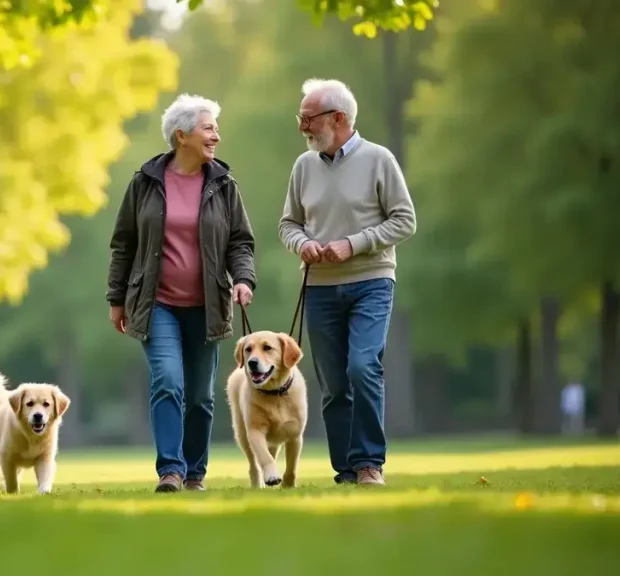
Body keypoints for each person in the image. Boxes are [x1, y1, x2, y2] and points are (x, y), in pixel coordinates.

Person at [105, 93, 257, 493]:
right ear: (181, 135)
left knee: (201, 397)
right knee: (168, 381)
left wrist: (243, 279)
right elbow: (124, 243)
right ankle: (170, 470)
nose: (216, 137)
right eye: (208, 128)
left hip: (207, 305)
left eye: (215, 129)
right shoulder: (146, 182)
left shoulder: (224, 185)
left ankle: (194, 474)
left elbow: (240, 241)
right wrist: (116, 299)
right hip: (157, 304)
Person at [278, 78, 417, 486]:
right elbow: (288, 223)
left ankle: (370, 463)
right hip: (318, 288)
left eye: (308, 118)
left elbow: (404, 220)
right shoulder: (303, 166)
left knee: (362, 367)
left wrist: (353, 245)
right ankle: (346, 470)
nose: (302, 127)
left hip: (371, 281)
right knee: (334, 383)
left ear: (337, 118)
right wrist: (302, 244)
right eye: (300, 118)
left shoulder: (379, 159)